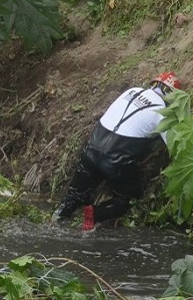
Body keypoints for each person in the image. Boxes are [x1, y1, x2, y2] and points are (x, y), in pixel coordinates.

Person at [53, 72, 181, 230]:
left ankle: (55, 219)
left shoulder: (131, 91)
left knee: (74, 195)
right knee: (126, 199)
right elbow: (174, 145)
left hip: (92, 148)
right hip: (116, 160)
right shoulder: (161, 111)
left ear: (153, 84)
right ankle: (94, 215)